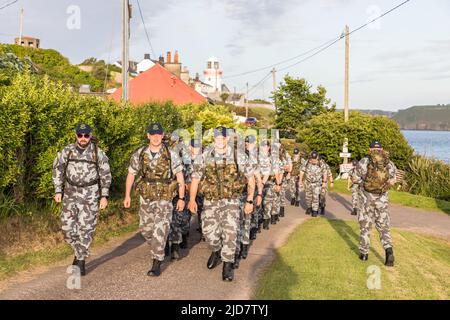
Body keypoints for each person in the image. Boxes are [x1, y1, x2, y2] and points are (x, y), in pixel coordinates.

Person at [188, 126, 255, 281]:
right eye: (217, 137)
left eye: (223, 137)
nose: (220, 140)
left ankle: (227, 265)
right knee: (209, 233)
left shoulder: (238, 156)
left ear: (227, 138)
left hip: (231, 201)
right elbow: (196, 178)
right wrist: (191, 199)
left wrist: (250, 200)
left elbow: (250, 178)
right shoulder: (205, 155)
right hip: (210, 201)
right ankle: (216, 250)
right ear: (214, 138)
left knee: (231, 233)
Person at [123, 123, 185, 277]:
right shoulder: (140, 153)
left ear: (163, 135)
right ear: (148, 136)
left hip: (165, 197)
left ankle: (156, 262)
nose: (156, 137)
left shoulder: (171, 154)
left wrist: (182, 198)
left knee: (160, 228)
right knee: (146, 229)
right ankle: (160, 244)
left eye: (158, 134)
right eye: (153, 134)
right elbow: (131, 174)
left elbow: (180, 177)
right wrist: (127, 195)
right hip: (146, 197)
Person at [52, 124, 112, 276]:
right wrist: (58, 190)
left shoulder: (98, 153)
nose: (83, 138)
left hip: (90, 195)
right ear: (76, 135)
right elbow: (57, 168)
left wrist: (104, 196)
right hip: (70, 193)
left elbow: (106, 175)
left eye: (86, 135)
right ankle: (79, 252)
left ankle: (80, 261)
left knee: (86, 229)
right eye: (80, 135)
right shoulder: (68, 150)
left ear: (90, 135)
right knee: (67, 229)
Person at [353, 140, 397, 266]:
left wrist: (363, 183)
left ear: (370, 149)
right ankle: (389, 251)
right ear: (381, 149)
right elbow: (393, 180)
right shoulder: (389, 163)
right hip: (382, 201)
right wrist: (384, 187)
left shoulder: (364, 162)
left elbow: (355, 178)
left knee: (365, 226)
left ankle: (364, 254)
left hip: (366, 200)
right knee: (383, 227)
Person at [259, 140, 282, 229]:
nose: (263, 148)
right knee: (259, 202)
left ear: (268, 148)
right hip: (259, 182)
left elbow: (277, 172)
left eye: (265, 146)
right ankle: (259, 221)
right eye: (262, 146)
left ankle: (266, 221)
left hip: (270, 183)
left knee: (268, 202)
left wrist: (278, 184)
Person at [299, 151, 327, 217]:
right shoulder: (306, 163)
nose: (314, 160)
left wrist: (324, 182)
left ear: (317, 158)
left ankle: (315, 211)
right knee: (308, 197)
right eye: (312, 159)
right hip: (308, 183)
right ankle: (309, 207)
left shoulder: (321, 163)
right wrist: (300, 180)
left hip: (317, 183)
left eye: (315, 159)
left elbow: (325, 173)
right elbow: (302, 171)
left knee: (315, 197)